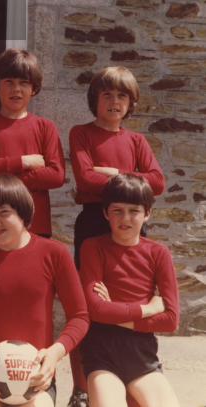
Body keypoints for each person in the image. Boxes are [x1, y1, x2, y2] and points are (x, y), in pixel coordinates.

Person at [68, 66, 165, 407]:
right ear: (94, 99)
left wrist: (112, 174)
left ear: (131, 103)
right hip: (95, 222)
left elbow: (158, 182)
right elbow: (84, 179)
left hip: (130, 227)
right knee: (89, 301)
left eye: (121, 95)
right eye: (106, 94)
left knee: (130, 295)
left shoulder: (136, 140)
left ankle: (134, 370)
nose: (113, 101)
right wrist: (130, 180)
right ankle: (84, 385)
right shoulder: (81, 133)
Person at [0, 174, 89, 407]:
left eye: (3, 212)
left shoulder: (54, 254)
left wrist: (55, 353)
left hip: (36, 381)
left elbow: (79, 316)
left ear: (23, 212)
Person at [79, 173, 180, 407]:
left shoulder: (158, 253)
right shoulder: (93, 247)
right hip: (101, 355)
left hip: (142, 356)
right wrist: (148, 308)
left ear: (147, 214)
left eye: (134, 210)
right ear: (105, 213)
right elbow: (95, 311)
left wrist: (113, 310)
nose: (125, 218)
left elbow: (171, 320)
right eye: (117, 210)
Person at [0, 47, 65, 242]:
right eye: (9, 82)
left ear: (34, 88)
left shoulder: (46, 127)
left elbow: (56, 175)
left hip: (36, 224)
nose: (16, 89)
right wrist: (23, 162)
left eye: (23, 83)